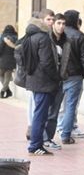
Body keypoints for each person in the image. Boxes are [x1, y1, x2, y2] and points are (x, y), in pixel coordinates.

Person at [23, 17, 62, 155]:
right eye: (49, 20)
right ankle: (35, 146)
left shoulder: (28, 37)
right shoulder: (43, 37)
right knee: (40, 115)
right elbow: (47, 62)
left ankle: (35, 144)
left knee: (38, 113)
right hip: (44, 82)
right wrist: (56, 77)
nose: (51, 23)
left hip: (34, 80)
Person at [58, 10, 84, 144]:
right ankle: (66, 134)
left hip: (60, 75)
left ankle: (53, 132)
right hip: (75, 75)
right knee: (71, 106)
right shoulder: (79, 36)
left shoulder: (59, 34)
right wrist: (83, 73)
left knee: (56, 106)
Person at [43, 14, 67, 150]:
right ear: (53, 24)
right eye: (59, 23)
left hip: (60, 81)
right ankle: (43, 138)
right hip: (46, 81)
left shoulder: (65, 41)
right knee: (43, 111)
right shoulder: (46, 38)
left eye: (63, 23)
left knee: (54, 112)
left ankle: (49, 138)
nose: (61, 26)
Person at [0, 25, 18, 98]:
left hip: (2, 59)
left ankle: (3, 90)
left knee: (1, 75)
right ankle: (8, 91)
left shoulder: (2, 37)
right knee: (7, 75)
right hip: (12, 59)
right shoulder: (16, 38)